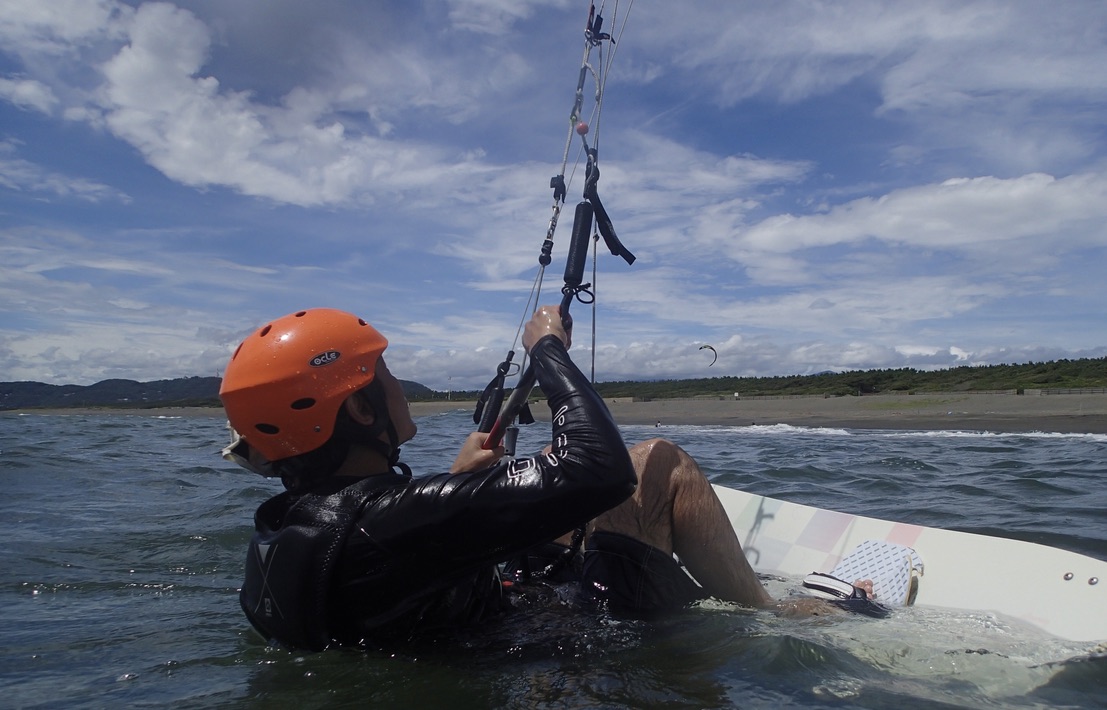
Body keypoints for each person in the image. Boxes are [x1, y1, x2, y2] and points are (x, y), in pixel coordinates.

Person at [219, 306, 854, 652]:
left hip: (487, 620)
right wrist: (548, 351)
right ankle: (772, 612)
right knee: (658, 460)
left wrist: (456, 481)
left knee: (560, 514)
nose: (400, 386)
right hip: (548, 635)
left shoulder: (282, 532)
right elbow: (596, 470)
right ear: (359, 411)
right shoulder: (406, 520)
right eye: (384, 376)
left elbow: (396, 543)